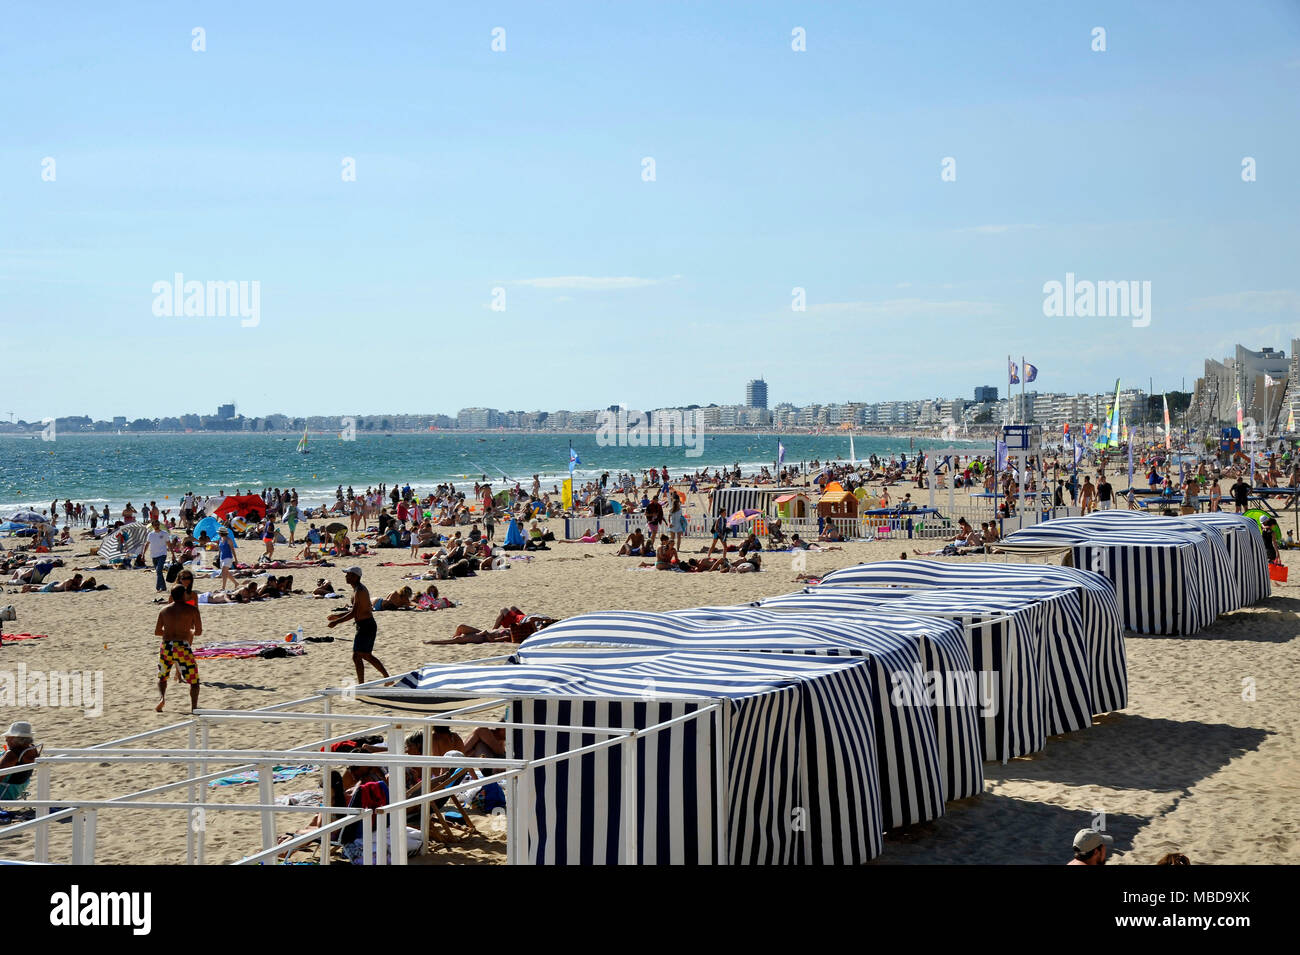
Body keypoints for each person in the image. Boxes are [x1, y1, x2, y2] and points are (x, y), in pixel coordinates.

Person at [328, 566, 388, 683]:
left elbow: (354, 613)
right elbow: (356, 611)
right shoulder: (356, 589)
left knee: (360, 655)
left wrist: (336, 622)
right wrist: (338, 616)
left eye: (348, 574)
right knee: (363, 655)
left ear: (355, 577)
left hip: (366, 626)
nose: (346, 576)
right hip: (365, 625)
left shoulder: (359, 591)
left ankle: (371, 681)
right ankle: (383, 679)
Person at [154, 585, 203, 712]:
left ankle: (162, 698)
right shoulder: (192, 610)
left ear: (171, 596)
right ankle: (194, 707)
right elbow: (198, 632)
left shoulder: (164, 610)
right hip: (182, 646)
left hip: (166, 646)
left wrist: (169, 632)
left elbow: (157, 632)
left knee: (162, 676)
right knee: (194, 681)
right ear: (184, 595)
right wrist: (189, 632)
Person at [0, 721, 39, 800]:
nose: (6, 739)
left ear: (16, 738)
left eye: (9, 737)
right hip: (18, 789)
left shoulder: (12, 754)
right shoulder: (32, 749)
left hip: (5, 791)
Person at [144, 519, 171, 593]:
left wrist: (173, 554)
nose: (156, 526)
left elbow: (169, 543)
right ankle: (164, 587)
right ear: (152, 526)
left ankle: (158, 587)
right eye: (155, 525)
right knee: (158, 572)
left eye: (157, 524)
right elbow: (147, 544)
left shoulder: (164, 533)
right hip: (153, 555)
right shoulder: (150, 534)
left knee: (159, 570)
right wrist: (143, 554)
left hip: (162, 554)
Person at [217, 527, 239, 591]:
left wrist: (236, 559)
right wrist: (218, 556)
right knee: (226, 572)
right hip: (222, 557)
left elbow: (232, 550)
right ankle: (236, 583)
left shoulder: (229, 540)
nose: (218, 533)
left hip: (228, 557)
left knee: (224, 572)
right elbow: (220, 549)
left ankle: (223, 587)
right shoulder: (220, 539)